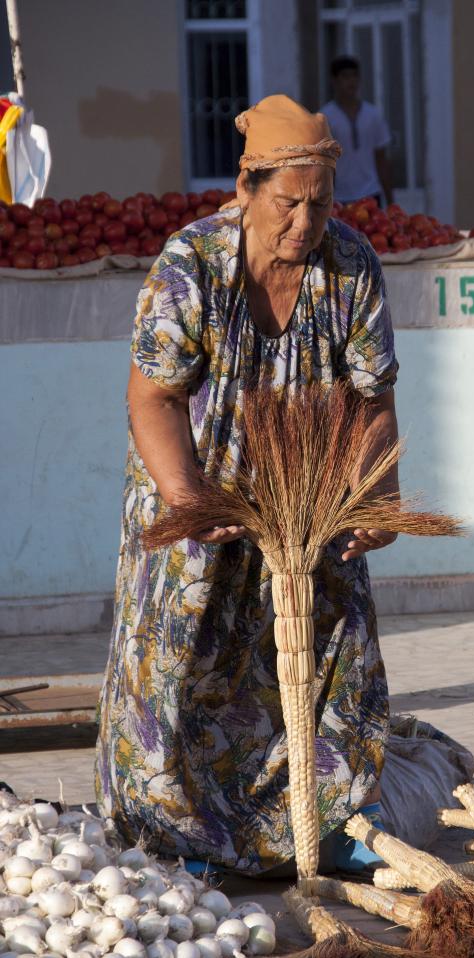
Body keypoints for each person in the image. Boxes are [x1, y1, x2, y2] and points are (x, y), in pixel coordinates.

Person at [95, 95, 405, 876]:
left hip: (305, 493)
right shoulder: (190, 264)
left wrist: (374, 493)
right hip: (194, 494)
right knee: (181, 660)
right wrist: (187, 495)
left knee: (333, 645)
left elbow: (371, 400)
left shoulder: (350, 266)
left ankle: (324, 818)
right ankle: (175, 836)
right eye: (287, 203)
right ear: (246, 190)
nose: (304, 224)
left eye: (320, 204)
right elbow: (152, 398)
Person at [321, 55, 393, 207]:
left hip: (370, 194)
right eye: (345, 76)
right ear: (334, 80)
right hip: (338, 198)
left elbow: (381, 160)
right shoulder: (325, 117)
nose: (351, 81)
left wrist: (391, 201)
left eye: (354, 76)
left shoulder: (373, 115)